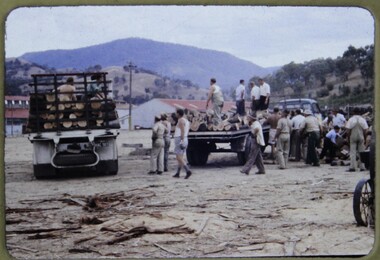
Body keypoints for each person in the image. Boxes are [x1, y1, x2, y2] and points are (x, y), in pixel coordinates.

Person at [345, 107, 369, 172]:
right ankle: (362, 167)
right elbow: (366, 130)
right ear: (360, 112)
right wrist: (364, 137)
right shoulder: (362, 119)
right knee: (361, 152)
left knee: (353, 152)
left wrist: (348, 137)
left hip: (353, 136)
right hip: (361, 136)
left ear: (353, 112)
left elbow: (348, 130)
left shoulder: (351, 119)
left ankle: (352, 167)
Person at [173, 108, 192, 179]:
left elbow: (182, 131)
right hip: (185, 138)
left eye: (176, 113)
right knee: (181, 157)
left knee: (178, 157)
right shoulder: (186, 121)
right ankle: (178, 173)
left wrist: (181, 141)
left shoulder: (180, 121)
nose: (175, 114)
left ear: (178, 113)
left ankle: (187, 170)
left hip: (180, 138)